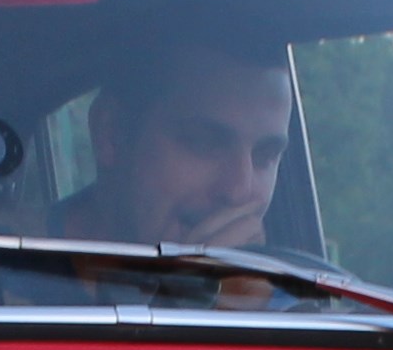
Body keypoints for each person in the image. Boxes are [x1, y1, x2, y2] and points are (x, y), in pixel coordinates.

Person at [57, 36, 299, 251]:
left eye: (265, 157)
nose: (238, 192)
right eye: (203, 144)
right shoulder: (33, 273)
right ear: (110, 133)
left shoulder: (288, 282)